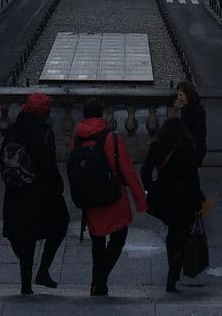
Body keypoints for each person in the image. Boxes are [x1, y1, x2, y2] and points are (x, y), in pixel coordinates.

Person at [73, 100, 147, 297]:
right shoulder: (111, 139)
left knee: (97, 244)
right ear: (102, 115)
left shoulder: (78, 139)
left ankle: (98, 284)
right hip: (113, 198)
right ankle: (99, 280)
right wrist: (141, 200)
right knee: (118, 239)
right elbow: (128, 172)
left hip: (90, 201)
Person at [1, 93, 69, 295]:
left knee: (24, 237)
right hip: (39, 192)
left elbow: (3, 159)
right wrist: (58, 189)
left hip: (15, 191)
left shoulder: (12, 130)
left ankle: (26, 285)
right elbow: (49, 166)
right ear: (45, 112)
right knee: (60, 224)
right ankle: (43, 271)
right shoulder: (44, 132)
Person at [141, 118, 203, 293]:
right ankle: (175, 269)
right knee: (181, 233)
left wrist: (151, 188)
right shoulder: (188, 148)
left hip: (165, 196)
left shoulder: (157, 147)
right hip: (187, 196)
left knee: (173, 232)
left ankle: (173, 270)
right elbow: (193, 176)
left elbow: (145, 171)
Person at [173, 81, 206, 167]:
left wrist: (176, 111)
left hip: (192, 152)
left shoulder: (194, 112)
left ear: (188, 95)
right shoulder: (189, 108)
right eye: (178, 95)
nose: (178, 98)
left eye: (180, 95)